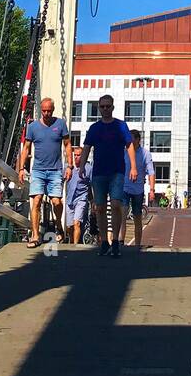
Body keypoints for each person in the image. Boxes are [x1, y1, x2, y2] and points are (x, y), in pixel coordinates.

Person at [78, 94, 138, 259]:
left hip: (117, 172)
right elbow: (87, 148)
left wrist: (133, 167)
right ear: (99, 108)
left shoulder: (121, 126)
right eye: (102, 106)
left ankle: (116, 242)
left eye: (108, 106)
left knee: (116, 204)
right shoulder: (94, 128)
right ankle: (104, 241)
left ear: (112, 107)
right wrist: (82, 166)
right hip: (98, 173)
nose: (105, 109)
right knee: (100, 207)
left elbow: (129, 146)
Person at [18, 97, 70, 247]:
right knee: (37, 201)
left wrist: (69, 166)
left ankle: (58, 224)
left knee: (56, 202)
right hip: (38, 170)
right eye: (44, 111)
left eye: (49, 110)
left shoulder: (60, 124)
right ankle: (35, 236)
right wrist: (22, 168)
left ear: (53, 110)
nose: (46, 113)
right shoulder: (33, 127)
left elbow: (67, 145)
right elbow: (26, 148)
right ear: (41, 110)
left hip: (55, 170)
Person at [120, 130, 155, 250]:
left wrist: (152, 190)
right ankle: (120, 243)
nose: (129, 142)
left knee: (137, 218)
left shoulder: (145, 154)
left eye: (132, 140)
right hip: (124, 188)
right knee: (122, 215)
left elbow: (151, 172)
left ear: (138, 140)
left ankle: (137, 245)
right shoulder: (124, 152)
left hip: (138, 190)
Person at [63, 146, 93, 245]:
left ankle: (75, 246)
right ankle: (72, 242)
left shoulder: (88, 169)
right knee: (69, 226)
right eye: (74, 155)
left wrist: (93, 201)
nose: (76, 157)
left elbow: (92, 185)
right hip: (70, 199)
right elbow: (61, 181)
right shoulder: (68, 167)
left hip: (81, 198)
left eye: (78, 155)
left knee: (77, 223)